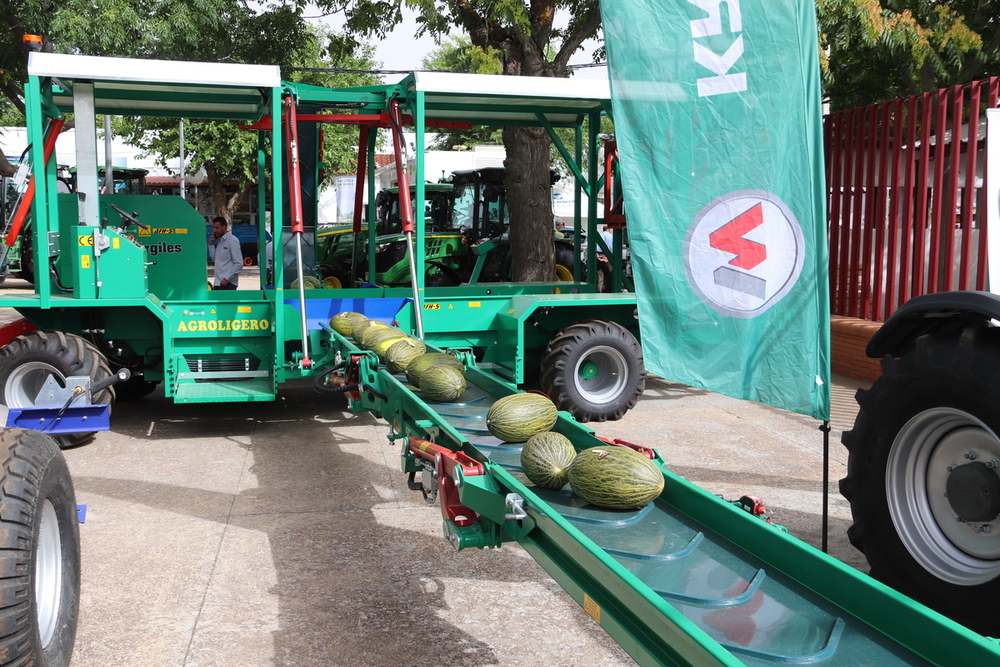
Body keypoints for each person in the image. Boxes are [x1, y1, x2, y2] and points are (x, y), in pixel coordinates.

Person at [209, 216, 242, 290]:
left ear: (224, 227)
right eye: (213, 228)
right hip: (218, 282)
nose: (215, 230)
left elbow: (239, 263)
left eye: (217, 228)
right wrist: (211, 244)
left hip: (228, 283)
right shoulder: (221, 241)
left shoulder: (232, 240)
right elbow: (215, 259)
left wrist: (227, 279)